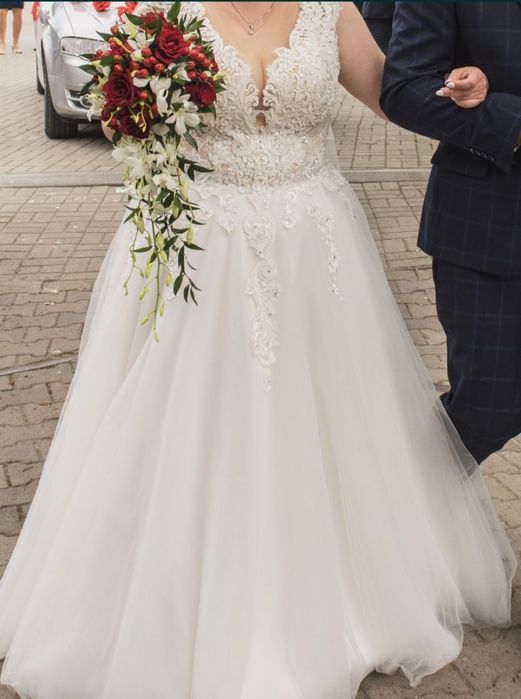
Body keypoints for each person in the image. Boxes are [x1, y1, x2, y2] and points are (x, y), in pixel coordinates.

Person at [0, 3, 514, 698]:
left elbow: (391, 94)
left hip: (314, 244)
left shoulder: (328, 9)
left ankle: (329, 590)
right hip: (202, 246)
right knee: (194, 422)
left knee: (318, 419)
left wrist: (458, 90)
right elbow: (125, 121)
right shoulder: (166, 12)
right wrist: (135, 110)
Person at [381, 2, 521, 466]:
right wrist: (512, 124)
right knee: (486, 410)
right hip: (492, 227)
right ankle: (393, 501)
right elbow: (404, 89)